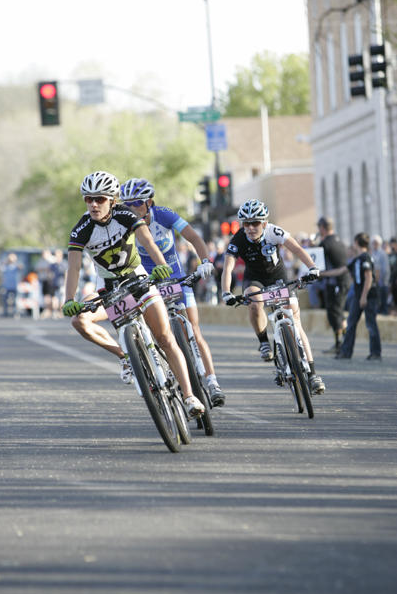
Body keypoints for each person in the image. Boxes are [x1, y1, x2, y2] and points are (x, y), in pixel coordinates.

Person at [61, 171, 205, 418]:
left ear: (112, 200)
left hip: (137, 278)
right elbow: (73, 267)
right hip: (109, 287)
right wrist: (69, 299)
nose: (94, 204)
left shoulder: (126, 215)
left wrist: (161, 266)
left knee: (164, 337)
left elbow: (147, 241)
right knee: (79, 321)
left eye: (100, 199)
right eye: (88, 199)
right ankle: (125, 355)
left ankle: (189, 396)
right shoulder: (81, 230)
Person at [119, 177, 225, 407]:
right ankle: (165, 371)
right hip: (147, 283)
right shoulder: (123, 223)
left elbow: (194, 237)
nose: (131, 209)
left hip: (175, 278)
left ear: (149, 203)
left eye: (136, 203)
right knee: (158, 335)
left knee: (194, 330)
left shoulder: (164, 214)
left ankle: (212, 381)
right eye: (125, 205)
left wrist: (205, 260)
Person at [220, 199, 325, 395]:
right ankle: (263, 342)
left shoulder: (274, 232)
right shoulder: (238, 239)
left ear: (265, 223)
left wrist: (312, 268)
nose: (250, 228)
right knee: (253, 300)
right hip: (255, 279)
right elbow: (228, 267)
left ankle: (312, 374)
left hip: (277, 277)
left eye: (255, 223)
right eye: (246, 223)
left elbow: (297, 249)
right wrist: (226, 291)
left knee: (294, 319)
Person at [324, 232, 382, 361]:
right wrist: (323, 274)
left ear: (356, 242)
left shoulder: (366, 258)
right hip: (358, 295)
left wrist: (364, 296)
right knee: (351, 323)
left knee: (370, 324)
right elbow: (341, 270)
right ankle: (346, 352)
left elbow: (368, 278)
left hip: (368, 295)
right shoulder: (357, 259)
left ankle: (376, 353)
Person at [317, 216, 351, 353]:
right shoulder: (339, 241)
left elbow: (318, 264)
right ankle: (342, 343)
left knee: (334, 313)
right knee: (339, 312)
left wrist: (320, 275)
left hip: (335, 281)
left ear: (322, 228)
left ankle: (340, 344)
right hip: (343, 280)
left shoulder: (325, 243)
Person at [371, 235, 390, 315]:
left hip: (382, 282)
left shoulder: (382, 253)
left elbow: (385, 269)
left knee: (383, 301)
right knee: (378, 302)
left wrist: (385, 281)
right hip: (376, 281)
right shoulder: (372, 253)